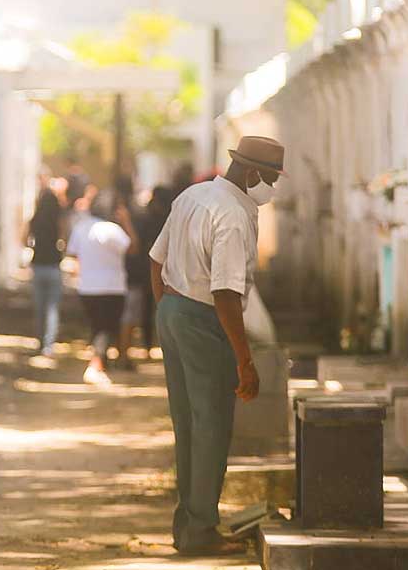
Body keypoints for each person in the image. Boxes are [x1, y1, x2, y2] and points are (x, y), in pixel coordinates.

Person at [149, 136, 284, 556]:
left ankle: (188, 527)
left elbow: (157, 259)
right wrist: (245, 361)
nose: (272, 190)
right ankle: (202, 530)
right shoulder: (233, 215)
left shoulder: (194, 196)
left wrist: (171, 310)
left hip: (173, 310)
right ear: (252, 174)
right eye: (272, 180)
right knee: (211, 428)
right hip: (204, 319)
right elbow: (226, 293)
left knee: (187, 425)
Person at [67, 188, 137, 386]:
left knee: (97, 327)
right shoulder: (112, 230)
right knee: (107, 328)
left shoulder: (82, 227)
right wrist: (126, 221)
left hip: (87, 287)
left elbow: (72, 253)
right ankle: (95, 365)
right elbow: (133, 247)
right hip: (112, 287)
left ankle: (100, 364)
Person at [120, 186, 173, 358]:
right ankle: (146, 344)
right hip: (145, 270)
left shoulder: (152, 217)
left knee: (150, 308)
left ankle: (148, 344)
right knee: (144, 308)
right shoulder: (150, 218)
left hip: (150, 269)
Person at [25, 187, 65, 356]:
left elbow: (23, 240)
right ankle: (49, 345)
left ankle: (40, 341)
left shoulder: (34, 220)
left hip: (38, 265)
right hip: (54, 265)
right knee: (52, 308)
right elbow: (64, 240)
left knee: (39, 307)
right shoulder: (58, 220)